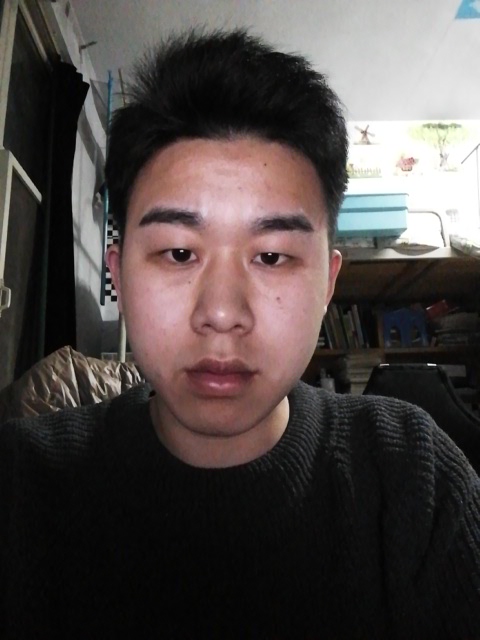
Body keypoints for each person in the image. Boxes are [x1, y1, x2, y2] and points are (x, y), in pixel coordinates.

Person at [1, 29, 479, 640]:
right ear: (118, 276)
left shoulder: (411, 478)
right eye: (179, 253)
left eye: (272, 256)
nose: (223, 313)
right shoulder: (21, 488)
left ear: (328, 283)